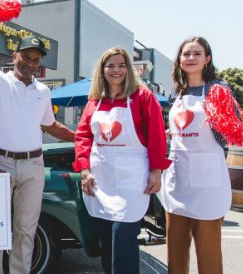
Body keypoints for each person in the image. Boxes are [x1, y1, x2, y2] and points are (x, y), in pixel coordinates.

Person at [0, 30, 75, 274]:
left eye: (35, 60)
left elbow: (50, 125)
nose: (30, 63)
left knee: (26, 229)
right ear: (14, 56)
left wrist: (80, 138)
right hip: (0, 163)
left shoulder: (43, 92)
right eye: (25, 56)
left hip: (33, 165)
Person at [73, 47, 170, 274]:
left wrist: (157, 171)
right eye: (110, 65)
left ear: (129, 68)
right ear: (102, 70)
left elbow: (157, 136)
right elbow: (83, 136)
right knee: (106, 240)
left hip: (131, 180)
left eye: (121, 65)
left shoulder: (143, 96)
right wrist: (84, 170)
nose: (116, 70)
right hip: (101, 179)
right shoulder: (94, 100)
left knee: (122, 235)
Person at [157, 37, 235, 274]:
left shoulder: (217, 90)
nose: (191, 58)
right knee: (176, 252)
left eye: (197, 54)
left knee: (209, 253)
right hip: (178, 179)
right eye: (186, 54)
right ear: (179, 60)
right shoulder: (176, 93)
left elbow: (227, 135)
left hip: (207, 181)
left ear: (207, 59)